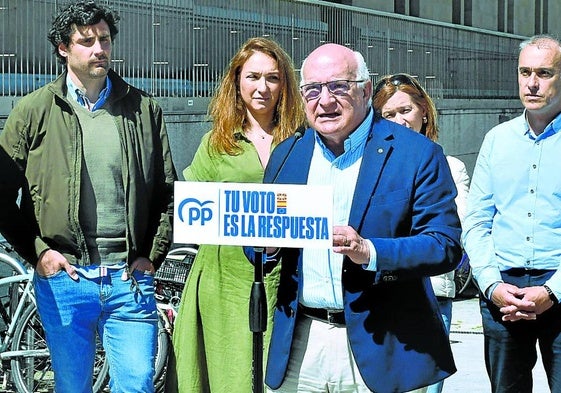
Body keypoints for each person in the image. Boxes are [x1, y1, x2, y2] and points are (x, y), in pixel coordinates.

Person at [245, 43, 462, 393]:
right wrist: (267, 247)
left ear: (364, 89)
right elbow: (257, 251)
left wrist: (370, 251)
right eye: (313, 90)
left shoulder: (417, 153)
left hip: (386, 344)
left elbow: (444, 245)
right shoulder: (288, 155)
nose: (325, 100)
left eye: (338, 86)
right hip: (302, 342)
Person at [0, 1, 177, 392]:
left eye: (105, 39)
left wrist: (153, 255)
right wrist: (38, 253)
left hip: (130, 280)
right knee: (72, 386)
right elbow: (0, 196)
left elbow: (168, 192)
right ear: (63, 48)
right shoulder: (33, 111)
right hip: (66, 279)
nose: (100, 49)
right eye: (87, 41)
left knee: (137, 384)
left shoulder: (143, 109)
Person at [169, 37, 305, 392]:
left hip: (284, 280)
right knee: (231, 375)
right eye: (253, 77)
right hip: (223, 279)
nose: (262, 87)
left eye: (273, 78)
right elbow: (192, 211)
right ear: (237, 81)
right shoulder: (217, 142)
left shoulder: (304, 140)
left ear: (285, 85)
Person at [462, 34, 561, 393]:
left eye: (545, 72)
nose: (532, 83)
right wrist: (491, 284)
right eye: (525, 72)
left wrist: (552, 290)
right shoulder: (497, 140)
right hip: (503, 290)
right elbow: (476, 222)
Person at [373, 73, 470, 393]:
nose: (399, 121)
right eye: (388, 114)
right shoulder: (368, 170)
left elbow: (453, 232)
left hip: (431, 296)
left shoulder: (450, 166)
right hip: (380, 296)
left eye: (406, 110)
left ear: (424, 111)